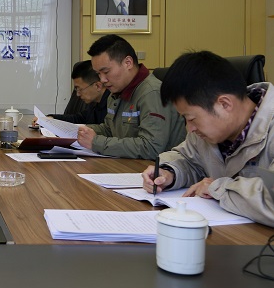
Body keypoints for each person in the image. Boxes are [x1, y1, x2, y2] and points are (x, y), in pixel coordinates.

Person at [142, 51, 274, 227]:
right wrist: (169, 173)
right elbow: (188, 159)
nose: (189, 129)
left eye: (191, 119)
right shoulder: (208, 133)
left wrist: (217, 188)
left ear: (224, 104)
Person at [77, 34, 185, 159]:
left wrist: (96, 142)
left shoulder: (152, 93)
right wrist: (79, 130)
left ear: (128, 63)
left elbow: (150, 147)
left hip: (156, 168)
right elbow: (110, 130)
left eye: (106, 72)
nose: (102, 79)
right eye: (98, 74)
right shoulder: (115, 93)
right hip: (128, 164)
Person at [49, 60, 110, 124]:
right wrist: (52, 118)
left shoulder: (112, 107)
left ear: (98, 86)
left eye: (80, 89)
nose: (77, 94)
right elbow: (79, 118)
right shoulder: (95, 104)